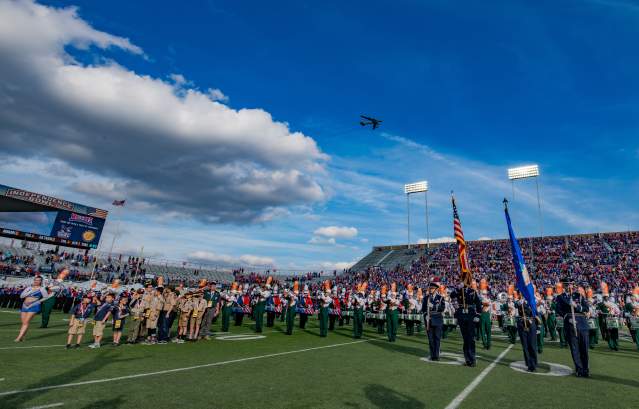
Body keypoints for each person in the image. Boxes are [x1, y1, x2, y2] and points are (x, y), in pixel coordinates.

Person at [556, 277, 590, 378]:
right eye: (566, 284)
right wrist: (567, 317)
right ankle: (579, 369)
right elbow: (558, 310)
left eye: (570, 284)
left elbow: (586, 308)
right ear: (564, 286)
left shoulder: (579, 296)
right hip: (570, 324)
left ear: (573, 285)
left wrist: (577, 306)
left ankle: (585, 369)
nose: (568, 286)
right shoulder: (561, 297)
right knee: (575, 349)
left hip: (582, 323)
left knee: (584, 348)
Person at [452, 282, 482, 367]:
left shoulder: (472, 291)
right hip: (461, 315)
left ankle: (472, 359)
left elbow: (478, 303)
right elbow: (451, 295)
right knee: (465, 338)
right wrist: (458, 288)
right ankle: (467, 359)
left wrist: (478, 315)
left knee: (471, 338)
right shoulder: (458, 291)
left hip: (470, 315)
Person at [15, 276, 49, 342]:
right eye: (36, 280)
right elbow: (21, 296)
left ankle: (18, 338)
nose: (37, 281)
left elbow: (46, 297)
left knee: (26, 322)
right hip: (24, 305)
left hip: (33, 305)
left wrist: (38, 301)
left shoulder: (42, 289)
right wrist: (29, 292)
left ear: (41, 281)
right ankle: (23, 337)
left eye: (38, 280)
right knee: (24, 322)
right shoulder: (29, 288)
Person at [423, 281, 445, 361]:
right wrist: (426, 315)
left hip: (438, 319)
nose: (431, 290)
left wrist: (434, 306)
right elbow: (423, 309)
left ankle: (437, 355)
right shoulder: (426, 298)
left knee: (437, 338)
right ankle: (432, 355)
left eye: (432, 288)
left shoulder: (440, 298)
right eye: (430, 288)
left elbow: (442, 308)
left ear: (436, 289)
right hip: (429, 320)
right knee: (431, 339)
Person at [515, 293, 538, 372]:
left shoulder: (532, 300)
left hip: (531, 322)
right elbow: (515, 305)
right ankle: (529, 364)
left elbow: (535, 310)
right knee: (525, 345)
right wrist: (520, 303)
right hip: (522, 323)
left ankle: (534, 363)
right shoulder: (519, 301)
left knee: (532, 344)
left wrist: (526, 304)